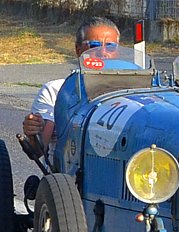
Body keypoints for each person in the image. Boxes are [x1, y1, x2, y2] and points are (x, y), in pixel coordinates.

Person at [22, 16, 120, 146]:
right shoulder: (56, 90)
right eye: (94, 46)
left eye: (110, 47)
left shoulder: (132, 91)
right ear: (78, 50)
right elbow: (38, 149)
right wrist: (35, 130)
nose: (103, 53)